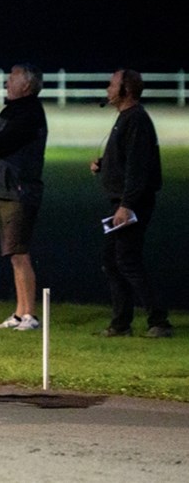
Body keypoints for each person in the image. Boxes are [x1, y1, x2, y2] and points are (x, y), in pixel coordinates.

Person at [90, 69, 172, 338]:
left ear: (126, 90)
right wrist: (104, 165)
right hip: (123, 202)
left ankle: (158, 321)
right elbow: (127, 159)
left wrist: (126, 205)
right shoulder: (126, 119)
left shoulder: (135, 119)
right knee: (113, 260)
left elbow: (139, 168)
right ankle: (121, 323)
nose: (107, 89)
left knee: (125, 259)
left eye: (112, 85)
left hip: (131, 204)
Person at [0, 63, 47, 331]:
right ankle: (19, 313)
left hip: (19, 190)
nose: (7, 82)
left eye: (12, 78)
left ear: (26, 85)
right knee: (14, 253)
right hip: (7, 190)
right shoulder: (13, 110)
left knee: (19, 252)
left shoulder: (29, 114)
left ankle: (30, 315)